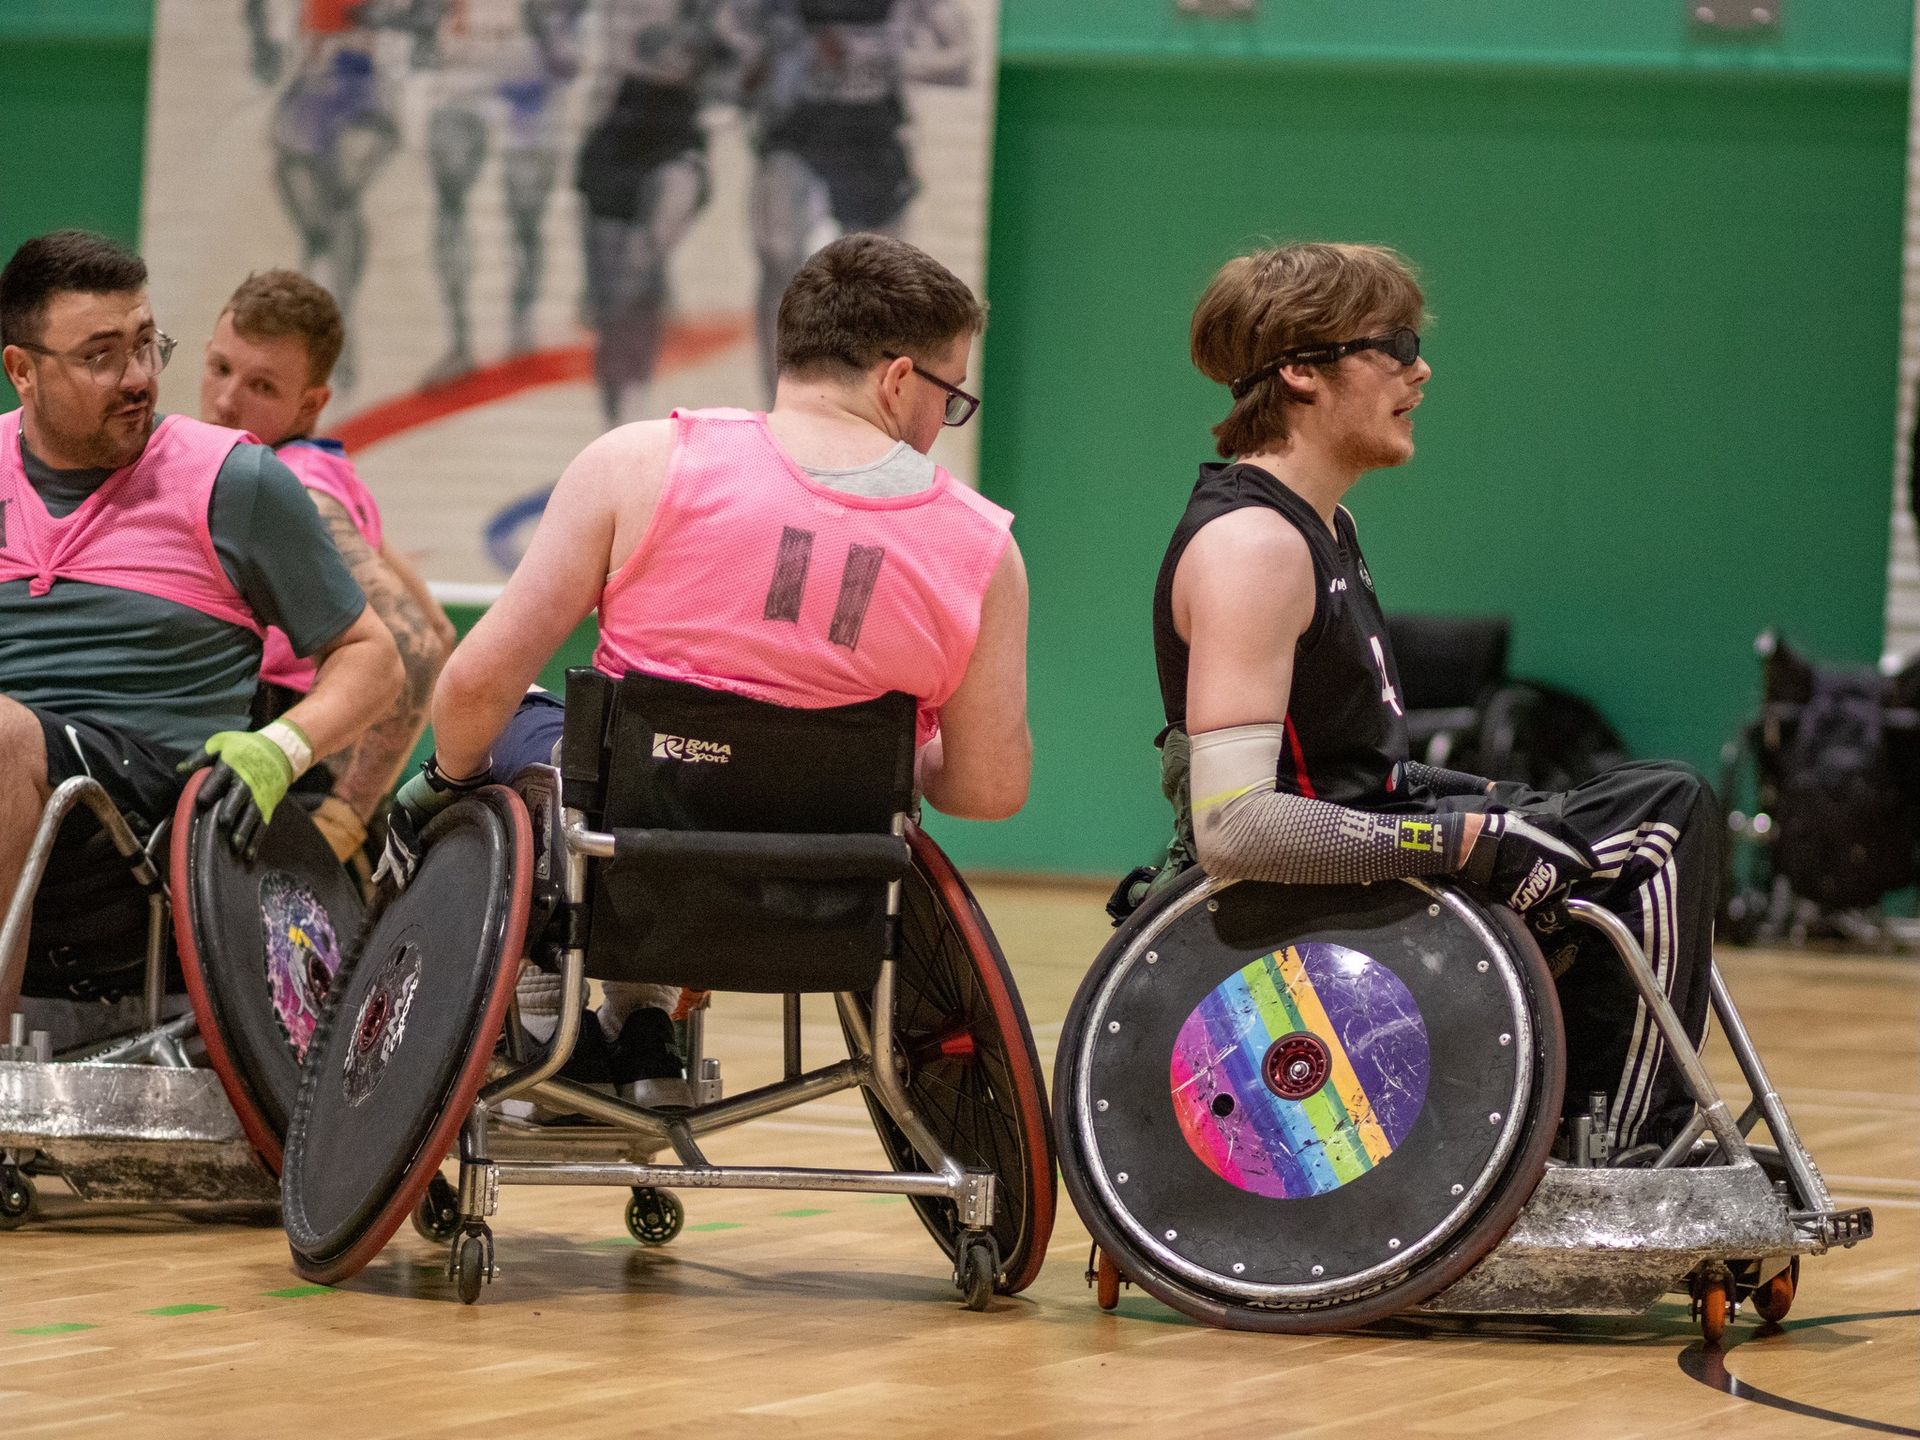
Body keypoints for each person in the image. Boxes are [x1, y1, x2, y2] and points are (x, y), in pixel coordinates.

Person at [391, 231, 1028, 1088]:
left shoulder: (636, 464)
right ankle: (642, 1018)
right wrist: (875, 753)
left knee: (522, 726)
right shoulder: (984, 551)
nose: (939, 425)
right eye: (949, 400)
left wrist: (445, 784)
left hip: (628, 873)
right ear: (899, 379)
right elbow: (988, 790)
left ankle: (545, 1004)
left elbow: (474, 684)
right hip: (822, 904)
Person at [1151, 242, 1715, 1156]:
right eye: (1396, 346)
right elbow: (1234, 827)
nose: (1420, 371)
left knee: (1632, 798)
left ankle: (1587, 1122)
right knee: (1660, 821)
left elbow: (1354, 772)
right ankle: (1629, 1147)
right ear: (1300, 370)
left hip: (1365, 866)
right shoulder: (1254, 546)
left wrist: (1492, 805)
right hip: (1298, 912)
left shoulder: (1325, 525)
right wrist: (1459, 840)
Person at [0, 231, 402, 1027]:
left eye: (147, 344)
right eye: (101, 356)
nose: (137, 377)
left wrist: (283, 749)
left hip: (143, 816)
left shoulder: (235, 481)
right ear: (23, 370)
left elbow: (377, 658)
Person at [200, 269, 456, 862]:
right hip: (313, 763)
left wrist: (344, 817)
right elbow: (440, 630)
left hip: (280, 760)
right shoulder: (327, 474)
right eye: (220, 367)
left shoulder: (296, 488)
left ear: (312, 403)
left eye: (262, 386)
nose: (226, 400)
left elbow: (417, 650)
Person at [741, 0, 973, 394]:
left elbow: (961, 60)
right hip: (797, 129)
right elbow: (730, 54)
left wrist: (884, 57)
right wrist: (787, 57)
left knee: (878, 282)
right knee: (779, 257)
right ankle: (777, 398)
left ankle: (866, 402)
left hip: (872, 135)